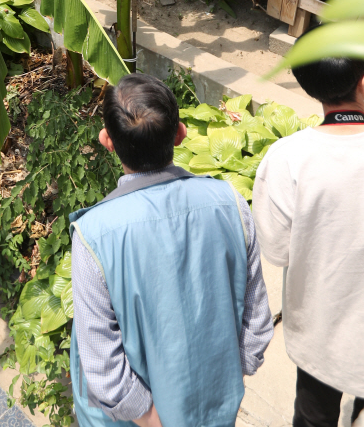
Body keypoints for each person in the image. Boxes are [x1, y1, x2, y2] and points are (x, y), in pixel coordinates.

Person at [70, 73, 273, 427]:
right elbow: (256, 321)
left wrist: (152, 420)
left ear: (108, 142)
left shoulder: (93, 234)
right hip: (214, 412)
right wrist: (223, 383)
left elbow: (101, 362)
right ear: (180, 133)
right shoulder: (231, 203)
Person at [253, 43, 364, 427]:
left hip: (320, 333)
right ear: (363, 83)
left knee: (314, 417)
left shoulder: (287, 157)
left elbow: (278, 249)